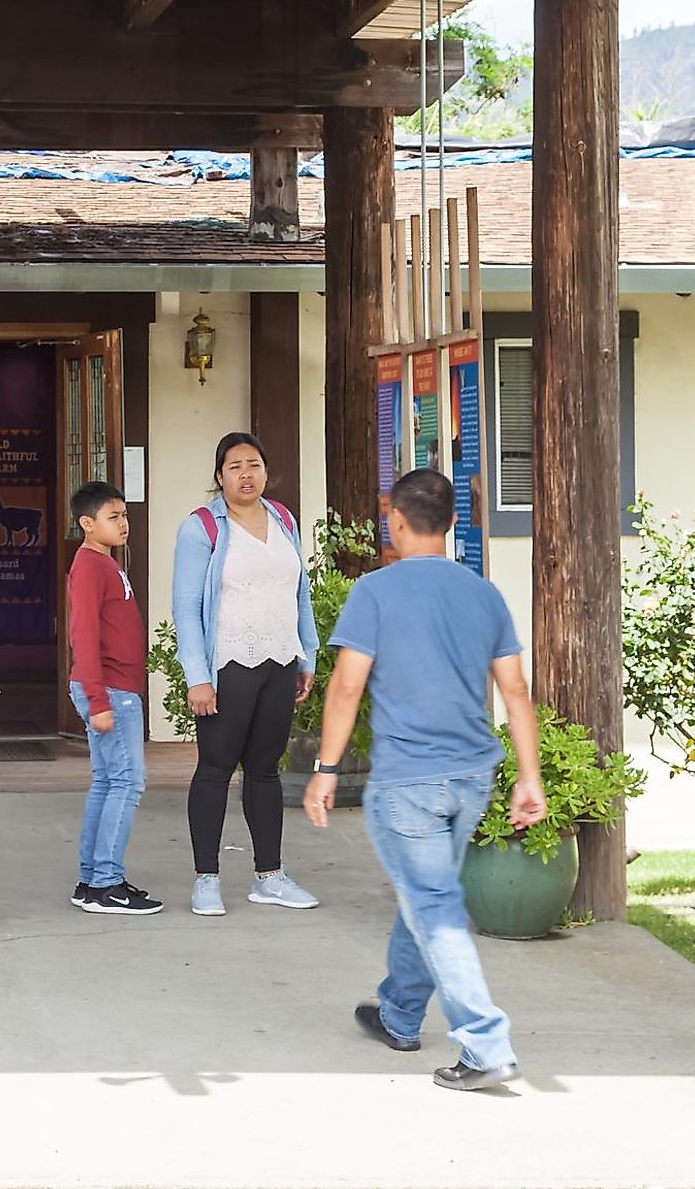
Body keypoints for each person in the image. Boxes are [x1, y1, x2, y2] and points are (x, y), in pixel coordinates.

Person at [304, 466, 542, 1093]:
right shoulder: (484, 593)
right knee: (424, 894)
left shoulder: (375, 592)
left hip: (408, 781)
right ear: (453, 523)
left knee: (434, 906)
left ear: (396, 522)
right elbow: (514, 691)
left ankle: (485, 1043)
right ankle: (400, 1014)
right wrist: (529, 777)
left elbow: (347, 685)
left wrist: (325, 770)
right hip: (472, 777)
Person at [170, 430, 321, 918]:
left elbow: (300, 593)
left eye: (253, 464)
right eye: (234, 466)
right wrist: (197, 675)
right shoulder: (202, 528)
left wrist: (306, 656)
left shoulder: (282, 519)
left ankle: (269, 876)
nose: (245, 474)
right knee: (214, 769)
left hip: (279, 661)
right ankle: (206, 879)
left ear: (266, 471)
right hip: (228, 663)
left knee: (265, 770)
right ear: (219, 477)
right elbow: (187, 606)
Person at [65, 479, 160, 915]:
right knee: (127, 782)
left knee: (108, 782)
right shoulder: (88, 566)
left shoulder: (107, 563)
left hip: (115, 689)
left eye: (124, 515)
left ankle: (92, 881)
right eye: (113, 516)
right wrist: (98, 699)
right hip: (110, 690)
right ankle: (106, 883)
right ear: (87, 523)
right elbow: (82, 636)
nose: (124, 523)